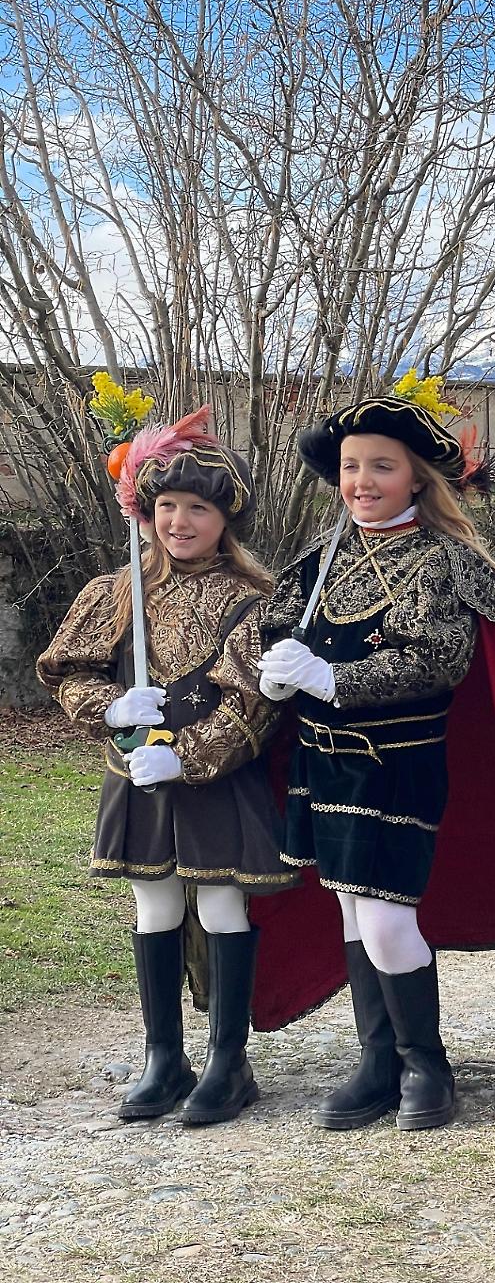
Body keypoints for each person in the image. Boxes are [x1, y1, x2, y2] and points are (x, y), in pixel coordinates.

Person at [257, 389, 495, 1134]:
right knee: (349, 909)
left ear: (417, 476)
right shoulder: (317, 561)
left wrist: (333, 679)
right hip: (321, 764)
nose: (363, 481)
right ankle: (377, 1061)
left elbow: (438, 659)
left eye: (382, 466)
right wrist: (274, 669)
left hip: (396, 765)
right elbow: (276, 628)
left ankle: (425, 1064)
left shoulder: (442, 562)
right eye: (351, 466)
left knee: (384, 920)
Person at [37, 409, 295, 1126]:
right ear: (145, 510)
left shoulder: (251, 601)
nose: (180, 522)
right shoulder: (115, 591)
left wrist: (182, 756)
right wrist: (113, 709)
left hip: (216, 778)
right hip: (134, 776)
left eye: (198, 509)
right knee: (154, 905)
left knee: (219, 904)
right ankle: (164, 1057)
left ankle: (228, 1062)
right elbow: (67, 672)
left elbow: (254, 706)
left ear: (225, 518)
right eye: (168, 506)